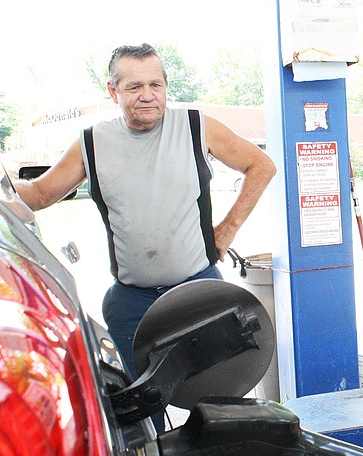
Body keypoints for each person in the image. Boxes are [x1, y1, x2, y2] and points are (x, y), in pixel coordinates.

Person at [14, 43, 276, 379]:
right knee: (139, 407)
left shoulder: (197, 127)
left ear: (166, 86)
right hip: (131, 303)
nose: (147, 95)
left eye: (156, 85)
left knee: (214, 404)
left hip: (199, 292)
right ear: (113, 91)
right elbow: (38, 193)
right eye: (134, 86)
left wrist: (228, 228)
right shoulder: (92, 143)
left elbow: (261, 165)